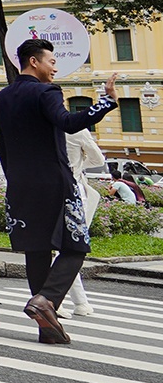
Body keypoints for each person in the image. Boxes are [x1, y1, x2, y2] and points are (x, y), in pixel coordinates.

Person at [0, 38, 118, 344]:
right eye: (51, 61)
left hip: (20, 184)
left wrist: (14, 182)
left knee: (37, 251)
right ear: (33, 61)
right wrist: (106, 101)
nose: (55, 67)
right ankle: (46, 299)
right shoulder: (47, 91)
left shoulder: (0, 99)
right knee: (75, 246)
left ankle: (45, 328)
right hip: (55, 181)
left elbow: (3, 149)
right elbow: (68, 123)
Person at [62, 121, 111, 318]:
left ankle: (78, 301)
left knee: (51, 248)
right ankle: (56, 299)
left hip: (44, 191)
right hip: (73, 189)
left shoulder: (40, 126)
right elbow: (97, 159)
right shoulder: (76, 129)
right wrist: (79, 163)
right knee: (72, 247)